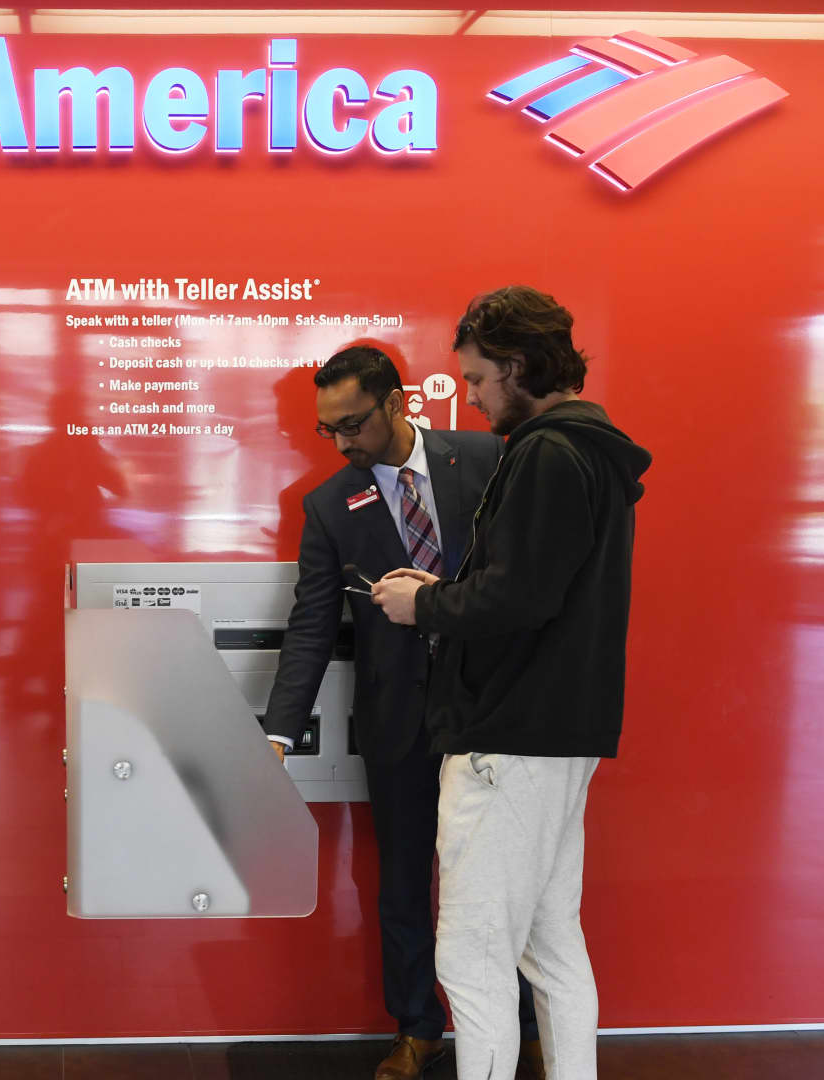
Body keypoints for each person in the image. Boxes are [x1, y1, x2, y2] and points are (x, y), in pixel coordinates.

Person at [373, 287, 652, 1080]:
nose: (468, 395)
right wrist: (442, 595)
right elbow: (536, 588)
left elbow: (518, 597)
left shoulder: (545, 453)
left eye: (476, 378)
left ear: (519, 366)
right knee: (550, 942)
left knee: (472, 953)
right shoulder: (589, 453)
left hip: (509, 737)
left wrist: (422, 603)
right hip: (560, 735)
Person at [262, 342, 542, 1080]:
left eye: (352, 424)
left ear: (395, 403)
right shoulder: (329, 506)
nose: (341, 443)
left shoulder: (486, 459)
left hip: (494, 711)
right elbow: (311, 626)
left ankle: (520, 1028)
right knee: (405, 879)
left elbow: (525, 580)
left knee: (500, 878)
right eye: (327, 430)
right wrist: (279, 733)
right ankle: (418, 1028)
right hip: (399, 722)